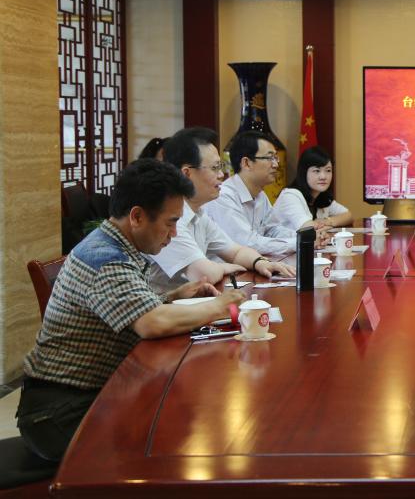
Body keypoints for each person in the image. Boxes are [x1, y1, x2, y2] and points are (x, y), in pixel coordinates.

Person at [16, 159, 246, 461]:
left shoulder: (118, 244)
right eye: (170, 222)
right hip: (59, 412)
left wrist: (172, 297)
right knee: (174, 434)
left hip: (87, 394)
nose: (174, 234)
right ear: (137, 216)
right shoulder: (105, 258)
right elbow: (151, 323)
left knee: (182, 410)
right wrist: (220, 306)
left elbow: (137, 307)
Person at [146, 127, 295, 294]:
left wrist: (260, 263)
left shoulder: (198, 214)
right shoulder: (169, 219)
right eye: (215, 168)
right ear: (187, 173)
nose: (222, 175)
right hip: (163, 306)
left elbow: (236, 251)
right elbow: (204, 275)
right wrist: (224, 267)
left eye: (221, 166)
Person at [204, 130, 297, 256]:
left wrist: (304, 237)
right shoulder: (223, 196)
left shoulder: (260, 194)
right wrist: (297, 243)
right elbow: (247, 243)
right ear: (246, 163)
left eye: (275, 158)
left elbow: (273, 230)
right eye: (269, 158)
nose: (276, 164)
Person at [271, 146, 353, 232]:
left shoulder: (321, 196)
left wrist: (328, 221)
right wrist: (324, 226)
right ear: (304, 172)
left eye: (328, 170)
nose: (323, 177)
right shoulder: (290, 196)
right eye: (317, 171)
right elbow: (308, 229)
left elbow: (348, 215)